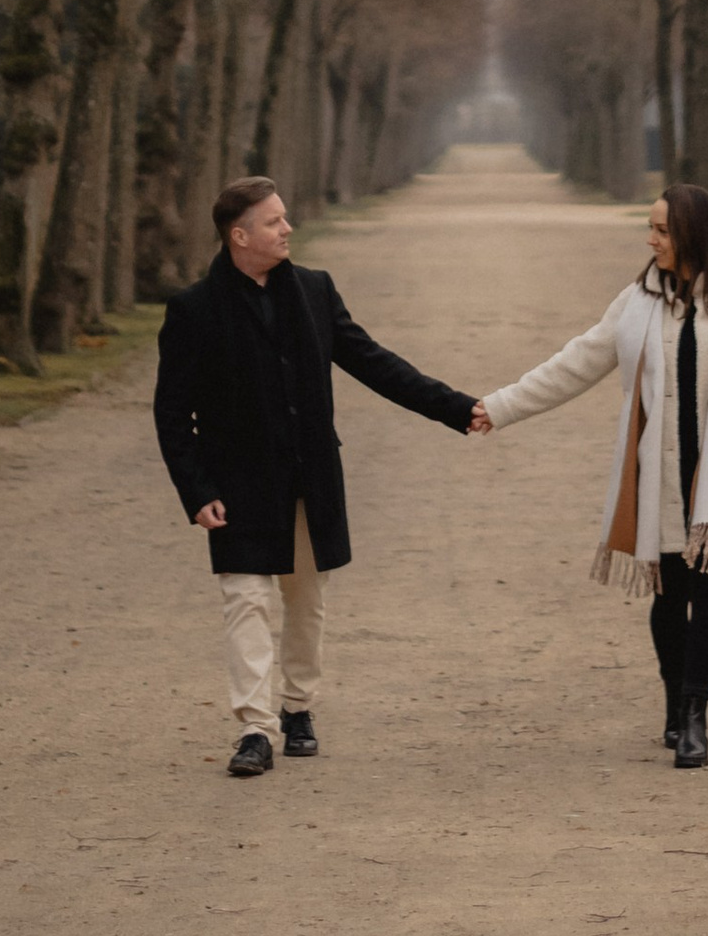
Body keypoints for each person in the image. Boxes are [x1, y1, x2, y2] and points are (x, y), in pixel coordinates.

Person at [154, 173, 482, 779]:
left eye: (284, 218)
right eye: (275, 221)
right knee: (246, 601)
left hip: (310, 478)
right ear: (239, 234)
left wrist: (458, 408)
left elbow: (374, 362)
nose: (288, 228)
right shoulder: (194, 310)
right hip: (237, 486)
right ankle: (256, 727)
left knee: (305, 599)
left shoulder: (313, 290)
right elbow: (172, 414)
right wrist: (196, 491)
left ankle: (298, 706)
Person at [472, 182, 708, 771]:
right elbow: (576, 362)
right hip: (660, 479)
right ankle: (674, 702)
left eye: (662, 230)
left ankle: (696, 716)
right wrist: (501, 405)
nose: (651, 239)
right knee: (669, 597)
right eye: (651, 227)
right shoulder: (637, 302)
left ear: (694, 233)